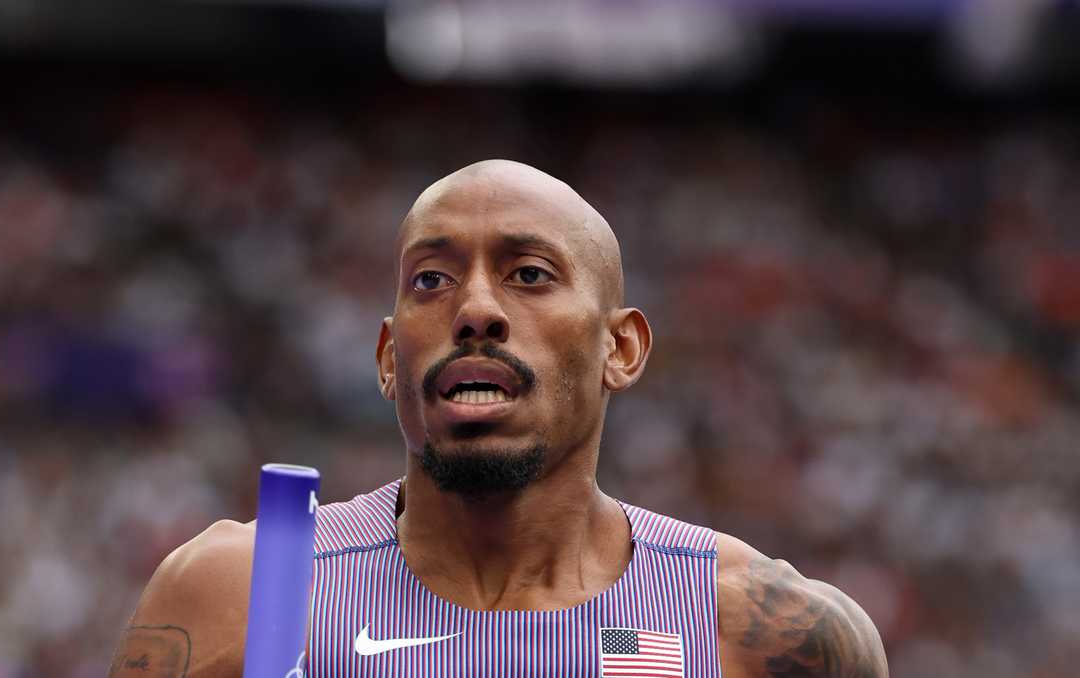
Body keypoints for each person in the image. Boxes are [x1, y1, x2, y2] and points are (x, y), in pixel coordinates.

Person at [108, 159, 888, 678]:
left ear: (621, 347)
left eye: (528, 274)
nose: (476, 308)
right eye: (432, 279)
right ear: (388, 358)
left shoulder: (763, 635)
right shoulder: (236, 593)